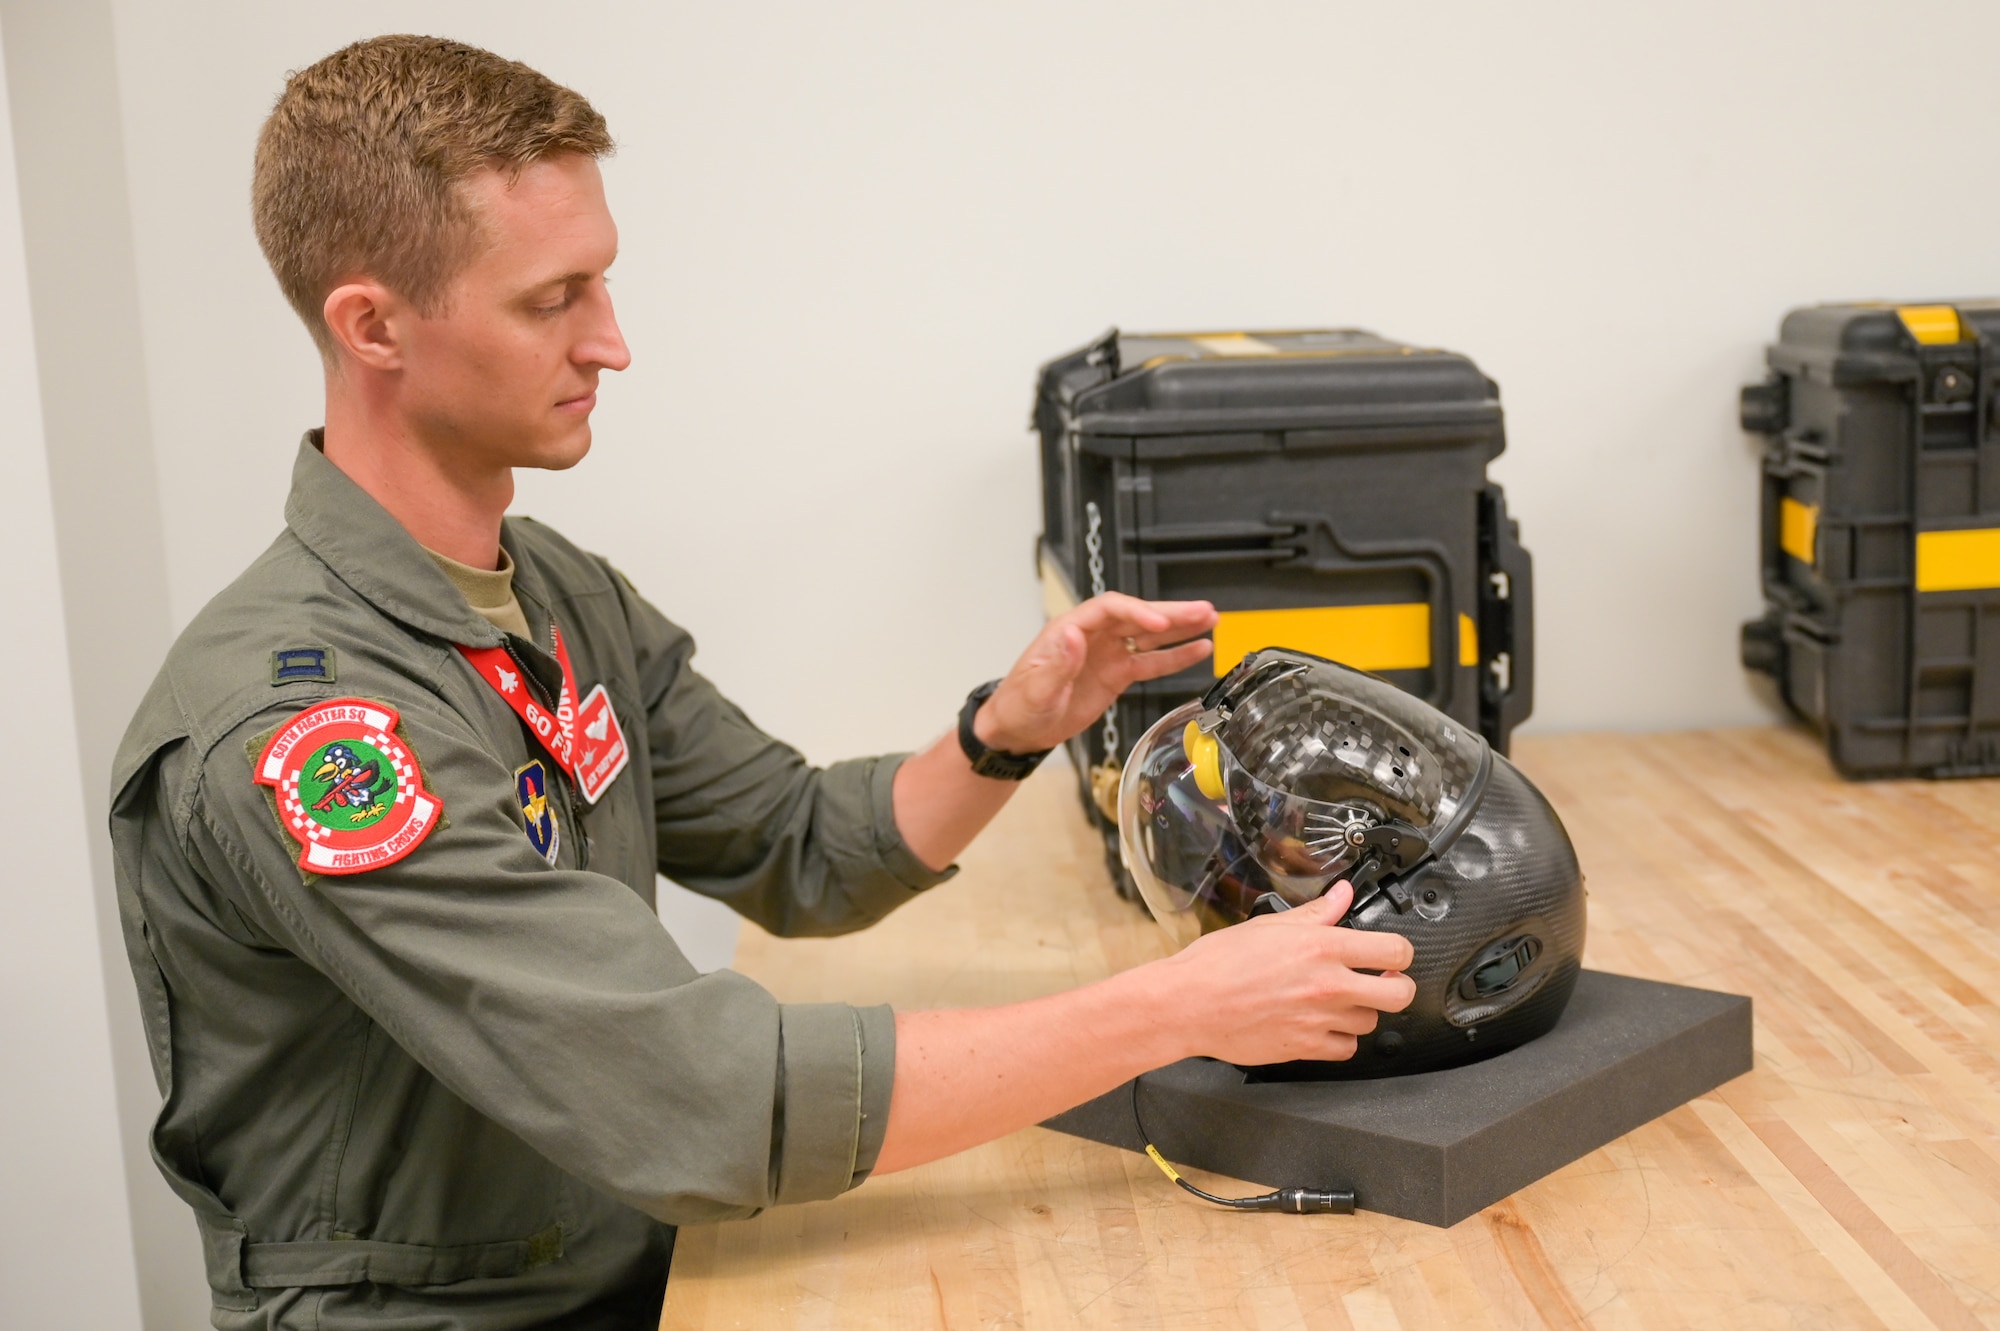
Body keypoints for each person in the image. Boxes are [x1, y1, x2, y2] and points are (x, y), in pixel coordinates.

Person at [110, 34, 1417, 1331]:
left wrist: (1006, 733)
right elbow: (704, 1101)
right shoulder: (312, 736)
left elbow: (797, 848)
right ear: (372, 326)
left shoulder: (551, 590)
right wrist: (1173, 1010)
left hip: (639, 1262)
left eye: (603, 285)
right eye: (551, 299)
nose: (611, 344)